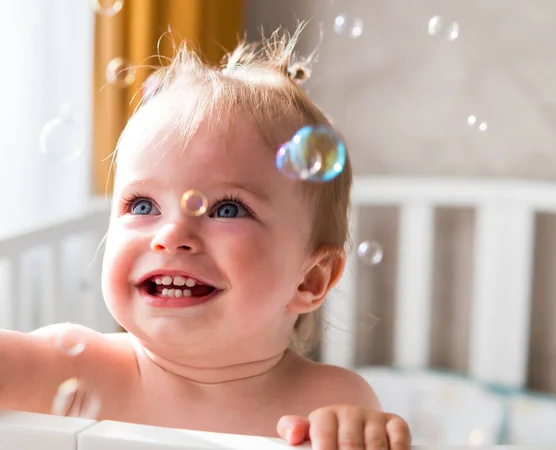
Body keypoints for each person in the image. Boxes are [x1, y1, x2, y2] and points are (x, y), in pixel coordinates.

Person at [0, 25, 411, 450]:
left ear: (311, 279)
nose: (171, 234)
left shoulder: (332, 404)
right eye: (142, 205)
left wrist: (360, 435)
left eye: (227, 209)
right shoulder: (78, 368)